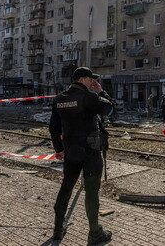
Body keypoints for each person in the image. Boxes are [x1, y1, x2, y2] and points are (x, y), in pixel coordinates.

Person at [49, 67, 115, 244]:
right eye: (90, 79)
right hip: (91, 153)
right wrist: (101, 92)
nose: (92, 82)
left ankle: (57, 229)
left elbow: (54, 128)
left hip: (71, 152)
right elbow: (110, 110)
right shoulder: (89, 97)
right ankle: (95, 233)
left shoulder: (59, 99)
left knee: (66, 188)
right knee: (92, 192)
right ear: (82, 79)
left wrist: (59, 149)